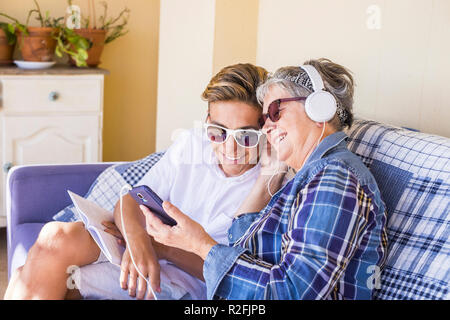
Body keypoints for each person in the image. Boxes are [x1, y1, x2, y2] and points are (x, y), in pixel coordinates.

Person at [4, 63, 269, 300]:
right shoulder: (192, 143)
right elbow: (131, 199)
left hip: (185, 280)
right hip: (145, 248)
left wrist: (163, 248)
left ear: (264, 128)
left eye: (246, 136)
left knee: (27, 276)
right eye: (218, 132)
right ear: (207, 122)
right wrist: (137, 240)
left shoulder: (268, 184)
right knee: (55, 236)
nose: (230, 148)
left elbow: (238, 274)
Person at [142, 58, 389, 299]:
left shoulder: (336, 179)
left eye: (275, 111)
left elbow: (292, 293)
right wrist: (266, 178)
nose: (267, 127)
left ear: (318, 108)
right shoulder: (305, 178)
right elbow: (240, 248)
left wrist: (200, 245)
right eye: (263, 120)